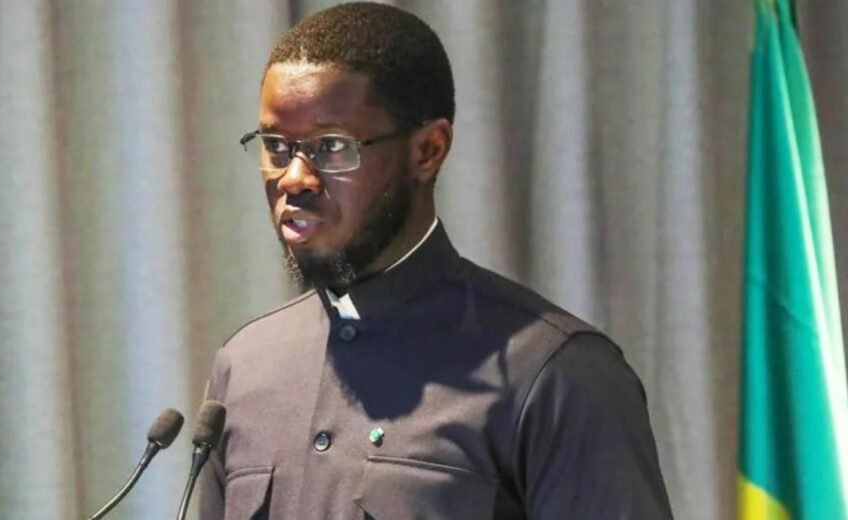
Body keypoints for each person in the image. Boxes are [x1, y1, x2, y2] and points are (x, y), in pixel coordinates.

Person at [200, 3, 673, 518]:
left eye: (331, 147)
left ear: (427, 150)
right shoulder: (245, 367)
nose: (293, 178)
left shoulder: (558, 374)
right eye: (275, 146)